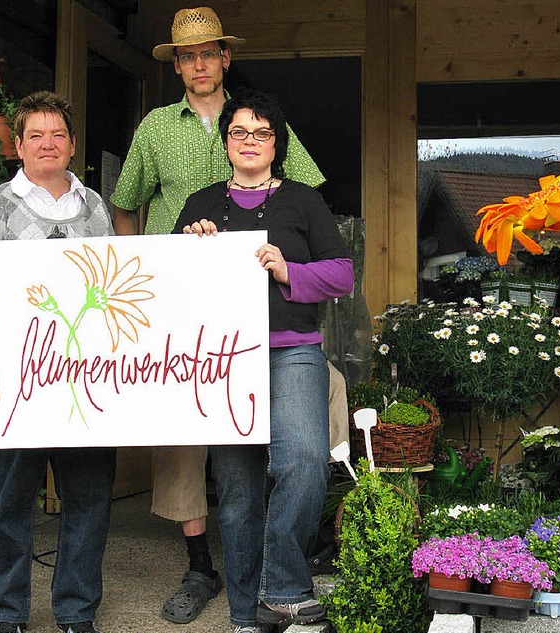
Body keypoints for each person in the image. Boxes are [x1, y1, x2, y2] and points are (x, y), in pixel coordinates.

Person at [109, 6, 328, 626]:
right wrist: (144, 275)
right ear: (176, 64)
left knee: (297, 437)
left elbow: (304, 187)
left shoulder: (255, 118)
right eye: (186, 55)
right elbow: (127, 207)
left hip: (268, 312)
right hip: (184, 304)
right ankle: (199, 564)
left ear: (225, 58)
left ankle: (276, 562)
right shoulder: (155, 127)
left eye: (208, 53)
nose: (198, 64)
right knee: (181, 443)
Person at [175, 88, 354, 633]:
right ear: (226, 142)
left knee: (302, 463)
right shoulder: (200, 205)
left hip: (293, 350)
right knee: (236, 489)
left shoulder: (304, 201)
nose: (249, 141)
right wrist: (190, 248)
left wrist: (288, 272)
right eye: (239, 132)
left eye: (261, 132)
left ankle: (281, 589)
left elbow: (342, 275)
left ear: (277, 143)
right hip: (224, 357)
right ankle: (245, 617)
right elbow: (170, 286)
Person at [0, 91, 116, 633]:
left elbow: (112, 286)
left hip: (83, 384)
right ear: (20, 147)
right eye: (35, 135)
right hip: (15, 383)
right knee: (9, 505)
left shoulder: (95, 206)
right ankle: (6, 614)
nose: (47, 144)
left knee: (89, 500)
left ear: (73, 145)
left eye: (58, 134)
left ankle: (76, 612)